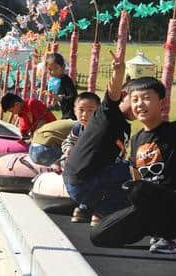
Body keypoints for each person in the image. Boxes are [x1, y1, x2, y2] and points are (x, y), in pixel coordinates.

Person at [90, 79, 176, 254]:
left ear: (162, 102)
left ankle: (174, 235)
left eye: (146, 98)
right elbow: (135, 174)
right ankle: (157, 230)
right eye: (135, 99)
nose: (139, 104)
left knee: (138, 189)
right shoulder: (136, 139)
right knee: (99, 235)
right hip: (150, 203)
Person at [63, 50, 134, 227]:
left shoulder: (124, 125)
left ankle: (84, 209)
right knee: (140, 173)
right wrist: (118, 73)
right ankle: (104, 211)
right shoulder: (108, 114)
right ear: (124, 97)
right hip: (81, 181)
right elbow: (112, 96)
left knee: (121, 170)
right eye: (136, 100)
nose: (141, 106)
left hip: (84, 181)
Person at [59, 92, 101, 223]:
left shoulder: (101, 129)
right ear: (74, 110)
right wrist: (68, 150)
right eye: (81, 110)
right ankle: (85, 203)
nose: (85, 114)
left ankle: (101, 208)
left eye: (90, 110)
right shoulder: (78, 127)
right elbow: (68, 142)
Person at [45, 53, 77, 120]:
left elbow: (73, 97)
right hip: (65, 114)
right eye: (50, 69)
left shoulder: (66, 81)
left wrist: (60, 98)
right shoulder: (56, 80)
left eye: (56, 68)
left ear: (63, 67)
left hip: (72, 116)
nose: (53, 72)